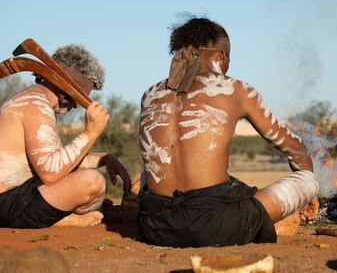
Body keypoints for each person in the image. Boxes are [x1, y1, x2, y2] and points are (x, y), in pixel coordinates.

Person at [137, 16, 319, 248]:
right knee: (307, 179)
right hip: (215, 227)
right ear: (221, 57)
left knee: (152, 170)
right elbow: (295, 150)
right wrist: (309, 192)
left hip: (154, 226)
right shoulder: (236, 90)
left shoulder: (150, 94)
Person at [0, 44, 131, 228]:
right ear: (67, 92)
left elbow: (59, 162)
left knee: (88, 177)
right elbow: (50, 173)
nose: (74, 106)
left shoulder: (35, 99)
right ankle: (60, 219)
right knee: (93, 181)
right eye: (77, 99)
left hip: (13, 198)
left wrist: (104, 159)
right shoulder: (35, 104)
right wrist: (91, 131)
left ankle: (63, 213)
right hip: (2, 207)